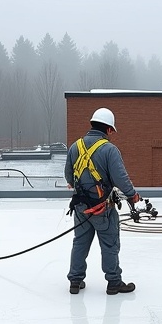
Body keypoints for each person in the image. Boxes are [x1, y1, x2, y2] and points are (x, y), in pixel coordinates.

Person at [64, 107, 142, 295]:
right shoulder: (109, 149)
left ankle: (75, 281)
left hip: (81, 207)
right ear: (108, 129)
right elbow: (120, 178)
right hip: (102, 209)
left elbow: (68, 175)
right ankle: (114, 282)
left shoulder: (76, 146)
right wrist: (132, 194)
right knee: (109, 244)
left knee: (80, 243)